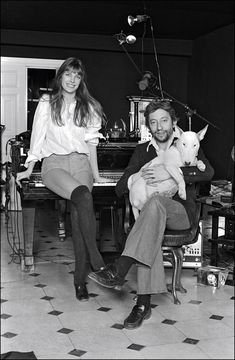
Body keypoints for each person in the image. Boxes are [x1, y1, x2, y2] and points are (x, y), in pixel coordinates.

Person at [88, 99, 214, 329]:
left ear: (174, 124)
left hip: (180, 215)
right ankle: (142, 304)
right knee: (152, 214)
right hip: (152, 215)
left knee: (154, 204)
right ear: (148, 127)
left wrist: (172, 174)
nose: (159, 127)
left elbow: (208, 172)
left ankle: (121, 267)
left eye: (164, 121)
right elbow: (120, 187)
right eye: (154, 122)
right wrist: (139, 175)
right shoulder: (141, 151)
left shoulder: (187, 143)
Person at [16, 57, 111, 301]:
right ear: (60, 77)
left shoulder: (88, 106)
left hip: (81, 163)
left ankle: (80, 282)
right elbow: (37, 137)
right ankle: (96, 260)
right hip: (55, 163)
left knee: (82, 209)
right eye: (68, 74)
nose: (72, 80)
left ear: (81, 80)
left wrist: (97, 174)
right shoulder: (48, 102)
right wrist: (29, 167)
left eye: (77, 76)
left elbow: (91, 144)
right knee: (81, 196)